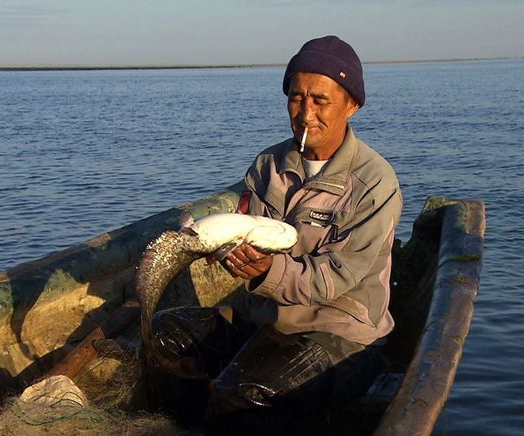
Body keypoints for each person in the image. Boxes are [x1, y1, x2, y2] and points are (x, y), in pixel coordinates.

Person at [150, 35, 403, 431]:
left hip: (340, 333)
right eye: (296, 98)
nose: (305, 114)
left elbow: (335, 278)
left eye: (321, 101)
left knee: (244, 391)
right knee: (163, 335)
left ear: (351, 105)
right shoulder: (268, 165)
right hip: (268, 320)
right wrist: (227, 255)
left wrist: (268, 272)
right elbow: (242, 228)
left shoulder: (374, 184)